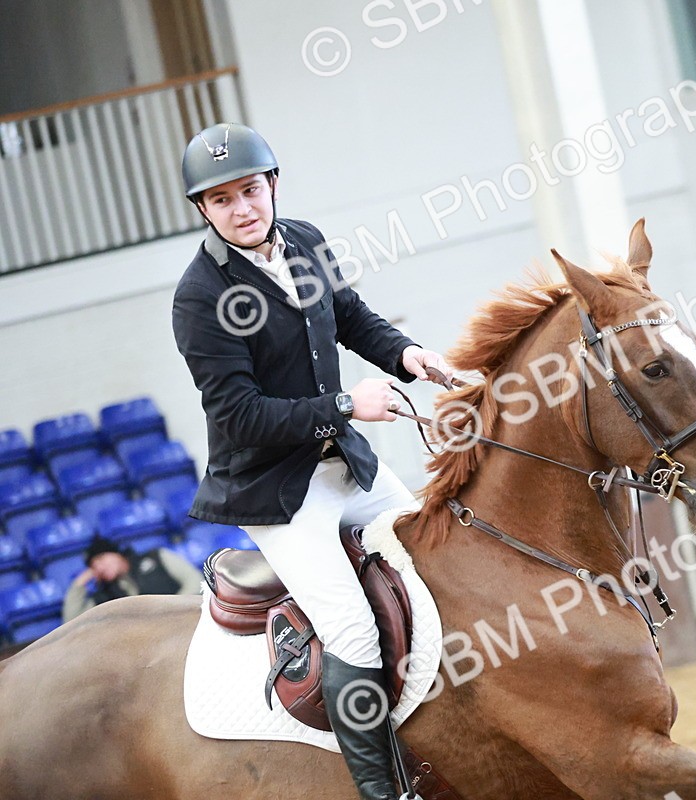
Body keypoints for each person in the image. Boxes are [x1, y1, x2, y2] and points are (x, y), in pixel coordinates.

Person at [172, 122, 453, 800]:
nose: (242, 208)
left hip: (345, 467)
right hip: (276, 490)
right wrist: (348, 406)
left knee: (443, 553)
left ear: (272, 184)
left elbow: (350, 317)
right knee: (352, 627)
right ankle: (382, 789)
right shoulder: (199, 297)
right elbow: (240, 416)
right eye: (222, 200)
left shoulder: (303, 241)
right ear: (204, 211)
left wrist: (407, 357)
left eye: (249, 189)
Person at [63, 536, 202, 622]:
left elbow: (196, 582)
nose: (99, 568)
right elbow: (72, 622)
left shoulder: (156, 557)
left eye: (101, 559)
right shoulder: (103, 596)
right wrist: (79, 584)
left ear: (116, 554)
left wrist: (171, 611)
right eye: (93, 567)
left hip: (188, 621)